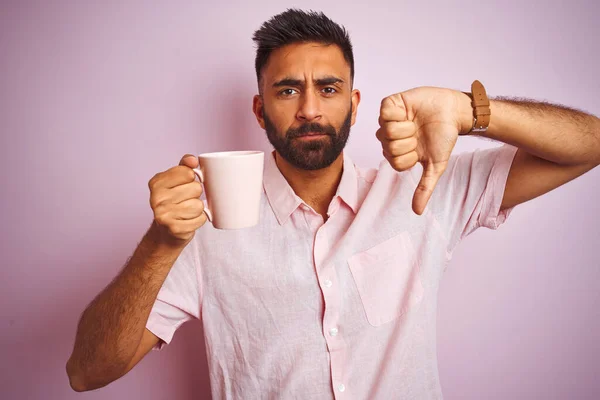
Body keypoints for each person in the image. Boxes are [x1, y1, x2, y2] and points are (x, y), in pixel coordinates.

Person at [66, 8, 600, 399]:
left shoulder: (421, 189)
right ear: (259, 109)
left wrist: (468, 110)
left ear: (354, 101)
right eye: (287, 91)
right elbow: (87, 372)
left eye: (328, 88)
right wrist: (160, 245)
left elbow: (590, 144)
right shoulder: (205, 229)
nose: (309, 109)